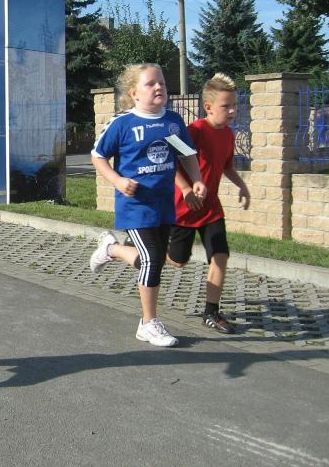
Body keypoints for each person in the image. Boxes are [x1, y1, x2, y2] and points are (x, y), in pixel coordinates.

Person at [88, 63, 206, 348]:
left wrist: (196, 181)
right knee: (153, 259)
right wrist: (117, 180)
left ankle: (111, 249)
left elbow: (186, 154)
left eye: (161, 83)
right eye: (150, 83)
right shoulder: (122, 124)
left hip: (163, 204)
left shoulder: (172, 122)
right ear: (134, 93)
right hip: (135, 205)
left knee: (152, 261)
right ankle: (148, 323)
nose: (158, 87)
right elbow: (98, 156)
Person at [167, 73, 251, 334]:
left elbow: (226, 166)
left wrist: (242, 185)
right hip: (184, 209)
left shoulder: (228, 134)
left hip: (211, 208)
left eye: (234, 105)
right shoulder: (193, 131)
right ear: (208, 107)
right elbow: (169, 161)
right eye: (226, 106)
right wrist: (186, 189)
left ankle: (211, 312)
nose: (232, 111)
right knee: (178, 261)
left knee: (220, 255)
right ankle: (147, 250)